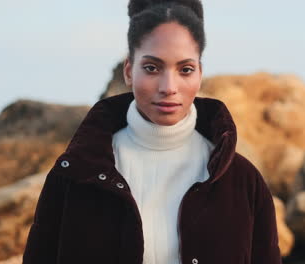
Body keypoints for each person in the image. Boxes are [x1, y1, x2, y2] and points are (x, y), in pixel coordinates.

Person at [22, 0, 282, 263]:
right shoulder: (75, 174)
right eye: (151, 68)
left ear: (200, 74)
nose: (169, 86)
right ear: (128, 71)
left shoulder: (243, 181)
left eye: (185, 69)